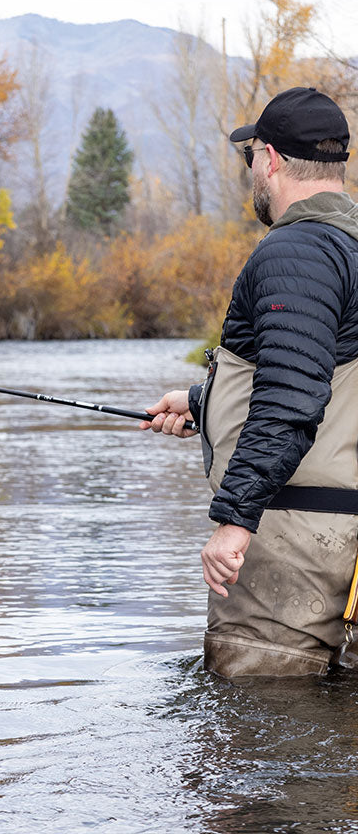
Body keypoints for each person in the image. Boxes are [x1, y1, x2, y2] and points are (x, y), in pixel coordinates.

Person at [143, 86, 358, 678]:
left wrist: (233, 523)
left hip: (294, 540)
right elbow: (332, 376)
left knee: (254, 740)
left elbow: (292, 395)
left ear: (271, 159)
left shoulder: (298, 251)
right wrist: (202, 403)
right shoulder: (350, 245)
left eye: (250, 159)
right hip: (343, 536)